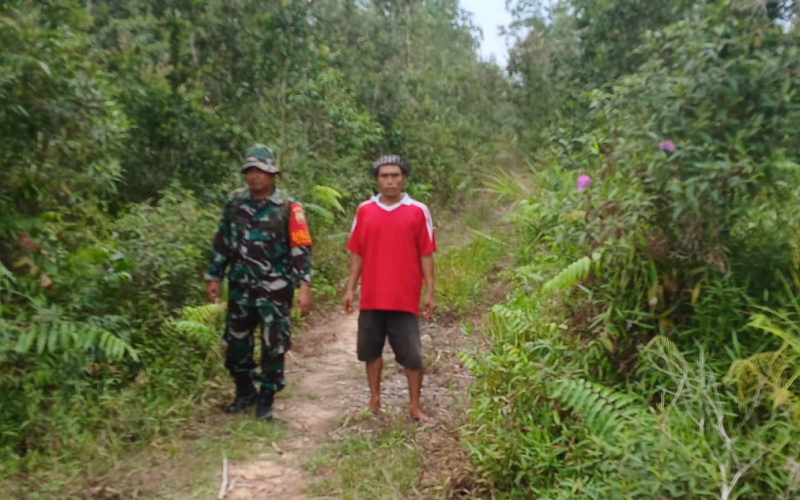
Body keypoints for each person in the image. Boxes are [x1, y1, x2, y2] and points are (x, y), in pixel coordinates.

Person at [205, 143, 313, 421]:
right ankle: (244, 392)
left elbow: (300, 248)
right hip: (241, 288)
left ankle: (266, 398)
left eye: (261, 171)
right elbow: (223, 240)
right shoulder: (235, 202)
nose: (255, 176)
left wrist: (304, 286)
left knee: (273, 345)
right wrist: (214, 275)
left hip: (274, 291)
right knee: (235, 343)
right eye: (250, 171)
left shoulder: (289, 207)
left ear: (272, 174)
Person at [343, 154, 436, 425]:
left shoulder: (418, 211)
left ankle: (415, 406)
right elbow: (357, 253)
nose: (390, 181)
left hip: (404, 297)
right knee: (370, 352)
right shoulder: (364, 211)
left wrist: (430, 291)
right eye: (384, 176)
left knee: (412, 355)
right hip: (371, 297)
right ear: (377, 180)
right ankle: (374, 400)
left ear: (404, 178)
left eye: (395, 175)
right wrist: (350, 288)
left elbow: (426, 253)